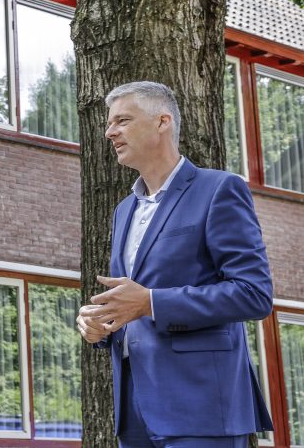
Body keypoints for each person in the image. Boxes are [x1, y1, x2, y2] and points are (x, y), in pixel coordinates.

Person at [76, 81, 273, 448]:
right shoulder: (124, 211)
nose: (109, 132)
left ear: (162, 121)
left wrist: (151, 302)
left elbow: (253, 294)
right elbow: (130, 299)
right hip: (134, 410)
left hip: (203, 408)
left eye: (122, 120)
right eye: (110, 123)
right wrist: (100, 323)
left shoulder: (219, 189)